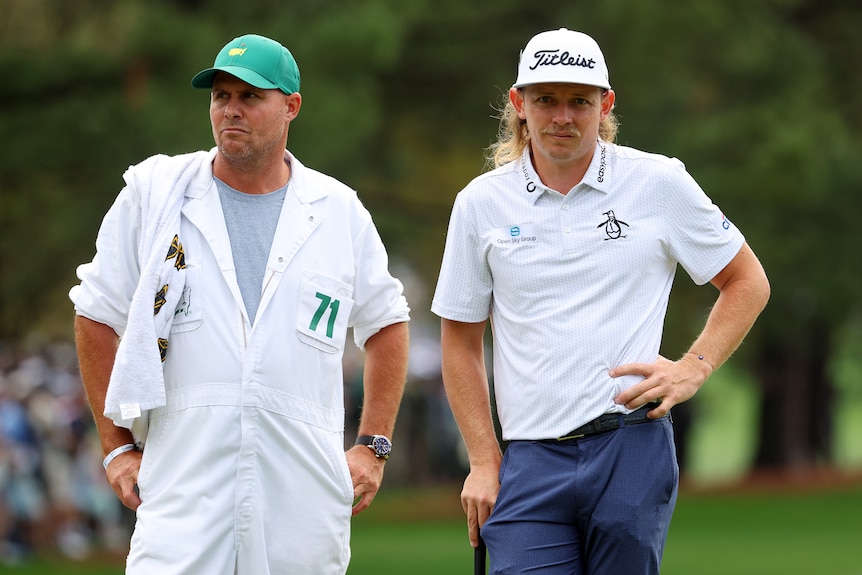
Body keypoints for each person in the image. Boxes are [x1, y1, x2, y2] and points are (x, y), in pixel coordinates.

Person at [431, 28, 770, 574]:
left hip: (630, 447)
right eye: (546, 100)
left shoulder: (658, 182)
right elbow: (461, 340)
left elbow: (747, 280)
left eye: (579, 102)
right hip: (529, 460)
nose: (562, 117)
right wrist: (482, 460)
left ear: (605, 104)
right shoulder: (480, 204)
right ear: (519, 104)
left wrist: (694, 368)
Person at [70, 34, 410, 575]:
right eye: (220, 95)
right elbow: (95, 313)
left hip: (301, 505)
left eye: (250, 97)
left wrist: (373, 445)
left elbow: (387, 324)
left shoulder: (338, 210)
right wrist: (115, 449)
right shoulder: (157, 197)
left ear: (291, 106)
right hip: (182, 498)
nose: (230, 110)